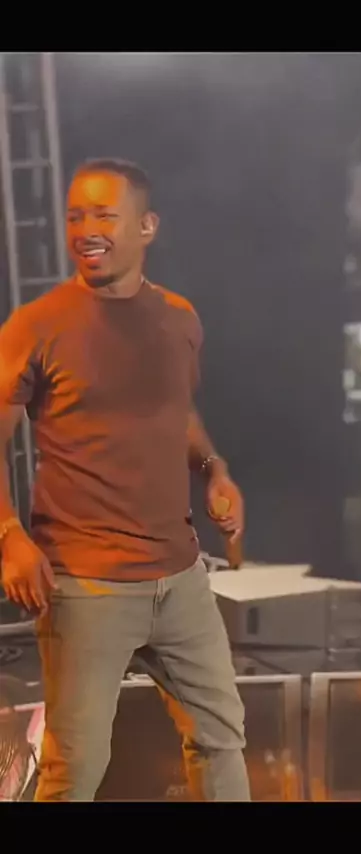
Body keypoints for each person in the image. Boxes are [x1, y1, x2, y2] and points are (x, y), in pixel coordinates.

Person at [0, 158, 250, 802]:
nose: (86, 229)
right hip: (86, 585)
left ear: (146, 226)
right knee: (76, 766)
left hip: (181, 579)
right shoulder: (37, 325)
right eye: (75, 216)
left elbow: (176, 414)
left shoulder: (179, 318)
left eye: (104, 215)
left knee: (221, 738)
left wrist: (214, 470)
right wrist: (9, 536)